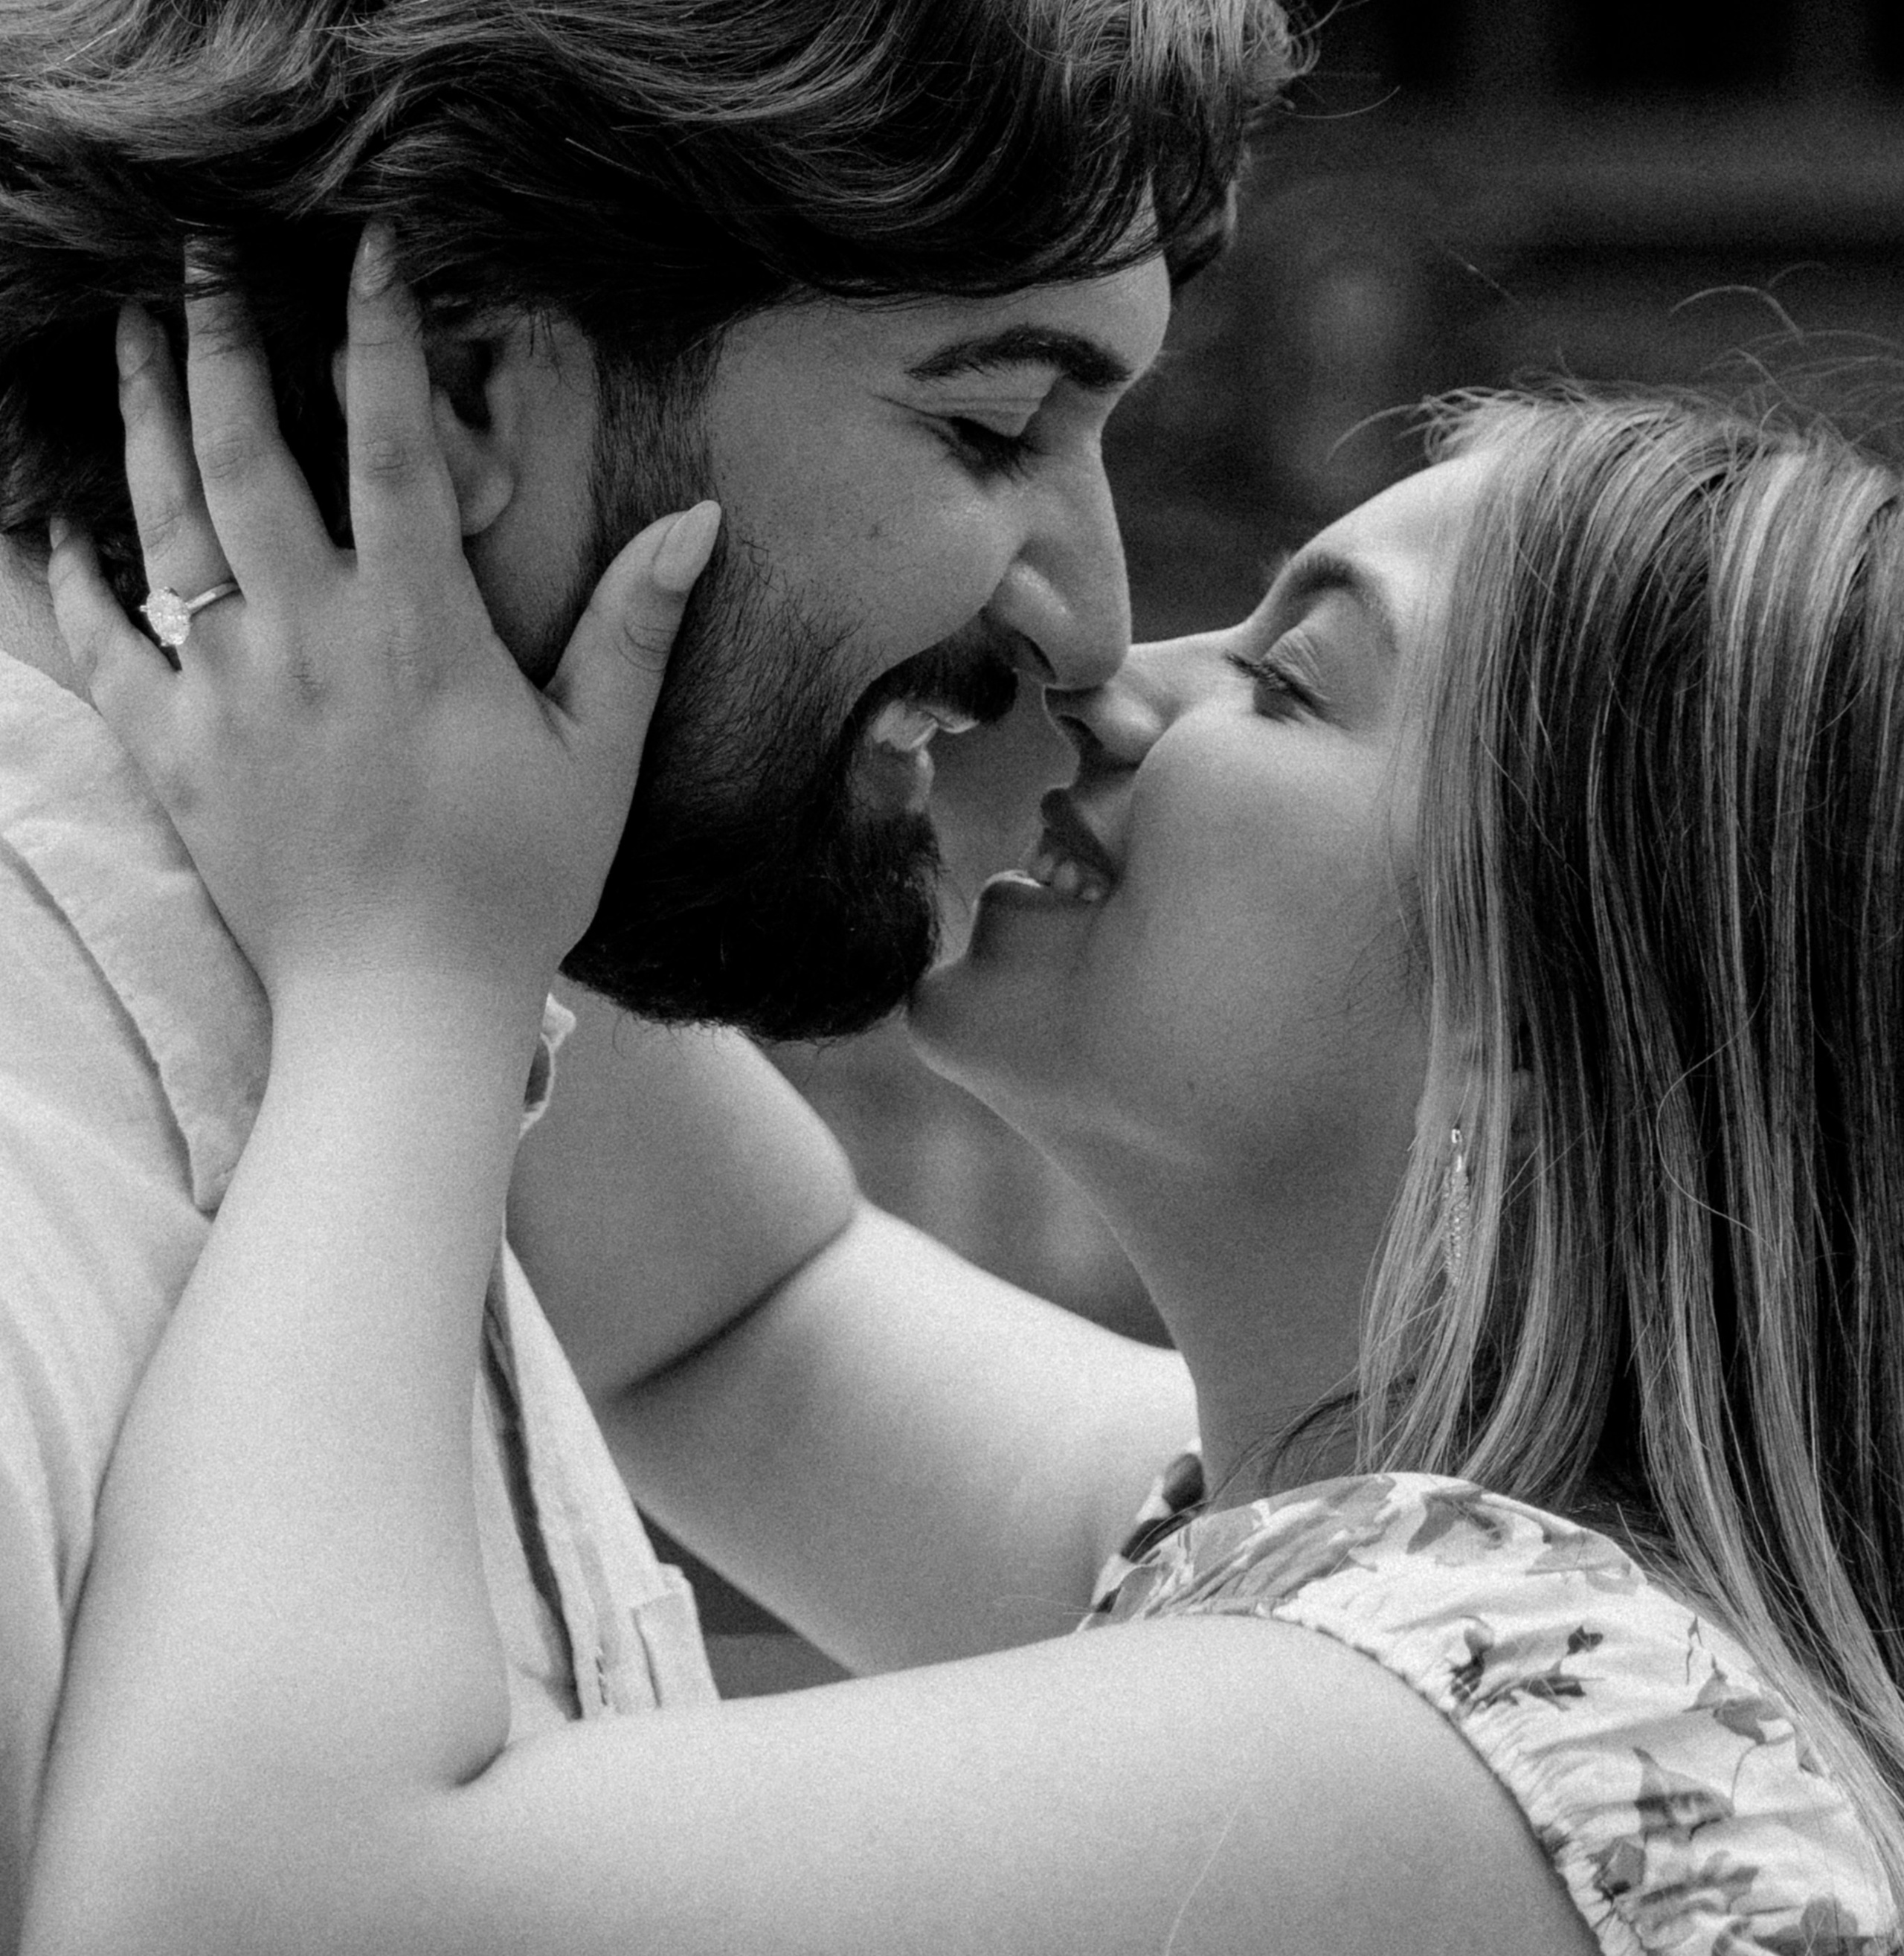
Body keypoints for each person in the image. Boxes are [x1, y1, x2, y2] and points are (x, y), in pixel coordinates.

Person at [25, 258, 1904, 1954]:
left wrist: (405, 984)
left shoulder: (1502, 1726)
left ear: (1540, 1007)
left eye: (1287, 683)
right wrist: (457, 653)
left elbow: (243, 1915)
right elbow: (733, 1318)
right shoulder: (1344, 1565)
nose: (1101, 676)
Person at [0, 0, 1290, 1945]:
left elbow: (744, 1307)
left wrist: (432, 969)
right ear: (485, 379)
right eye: (993, 421)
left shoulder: (387, 982)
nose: (1099, 637)